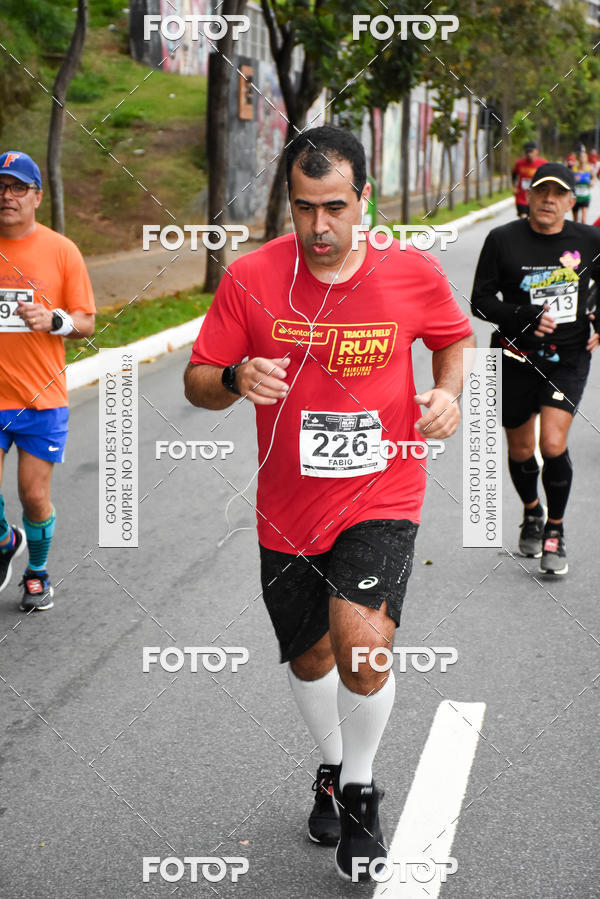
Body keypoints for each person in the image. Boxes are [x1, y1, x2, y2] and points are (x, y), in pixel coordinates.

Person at [184, 126, 474, 882]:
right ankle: (332, 762)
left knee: (361, 644)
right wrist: (233, 378)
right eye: (304, 207)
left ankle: (360, 789)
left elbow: (452, 339)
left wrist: (445, 392)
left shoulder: (409, 272)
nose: (319, 227)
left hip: (383, 490)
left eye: (335, 207)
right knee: (310, 653)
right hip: (286, 506)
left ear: (364, 200)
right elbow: (198, 378)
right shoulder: (251, 277)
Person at [471, 162, 600, 575]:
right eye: (541, 191)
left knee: (553, 444)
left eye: (557, 193)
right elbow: (480, 301)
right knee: (522, 449)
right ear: (527, 195)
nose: (548, 200)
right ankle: (532, 512)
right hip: (514, 356)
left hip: (568, 357)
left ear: (570, 201)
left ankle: (555, 532)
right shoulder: (502, 240)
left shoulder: (590, 239)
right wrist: (522, 315)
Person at [0, 151, 95, 610]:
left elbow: (85, 323)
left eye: (18, 187)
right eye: (1, 186)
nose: (7, 196)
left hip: (41, 398)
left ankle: (36, 572)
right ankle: (4, 540)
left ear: (37, 196)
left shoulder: (61, 250)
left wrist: (52, 319)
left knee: (34, 496)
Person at [512, 140, 548, 218]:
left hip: (536, 196)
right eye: (527, 152)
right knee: (523, 218)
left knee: (533, 219)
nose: (529, 154)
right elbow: (514, 175)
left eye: (531, 152)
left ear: (536, 151)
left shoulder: (543, 164)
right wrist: (514, 187)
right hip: (521, 196)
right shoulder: (519, 163)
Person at [572, 148, 593, 224]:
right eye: (581, 156)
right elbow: (570, 181)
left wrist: (591, 182)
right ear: (578, 158)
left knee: (583, 220)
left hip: (585, 197)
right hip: (576, 198)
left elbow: (593, 179)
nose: (582, 158)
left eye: (584, 157)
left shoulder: (589, 169)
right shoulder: (574, 170)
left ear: (587, 158)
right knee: (575, 221)